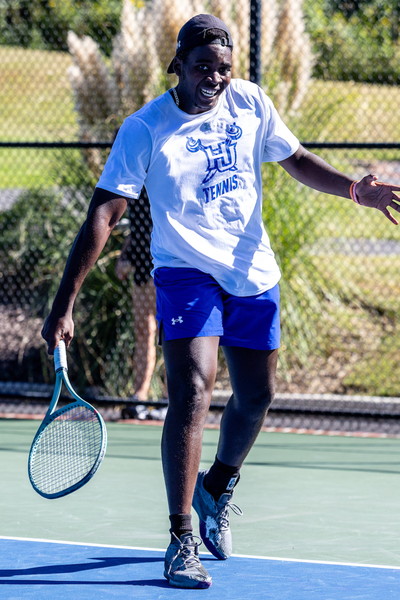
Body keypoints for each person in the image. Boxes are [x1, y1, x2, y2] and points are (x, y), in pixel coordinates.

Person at [42, 14, 400, 590]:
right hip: (186, 273)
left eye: (224, 69)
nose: (214, 77)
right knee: (192, 389)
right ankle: (181, 538)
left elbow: (295, 158)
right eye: (203, 67)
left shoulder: (251, 102)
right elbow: (105, 214)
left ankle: (217, 486)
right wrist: (65, 303)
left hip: (252, 270)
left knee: (257, 396)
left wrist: (355, 189)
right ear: (176, 66)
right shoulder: (145, 128)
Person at [115, 187, 159, 403]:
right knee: (143, 334)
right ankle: (139, 396)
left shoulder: (161, 185)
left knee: (170, 337)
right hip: (140, 272)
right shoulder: (134, 190)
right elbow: (138, 230)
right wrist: (124, 258)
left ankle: (172, 399)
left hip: (163, 272)